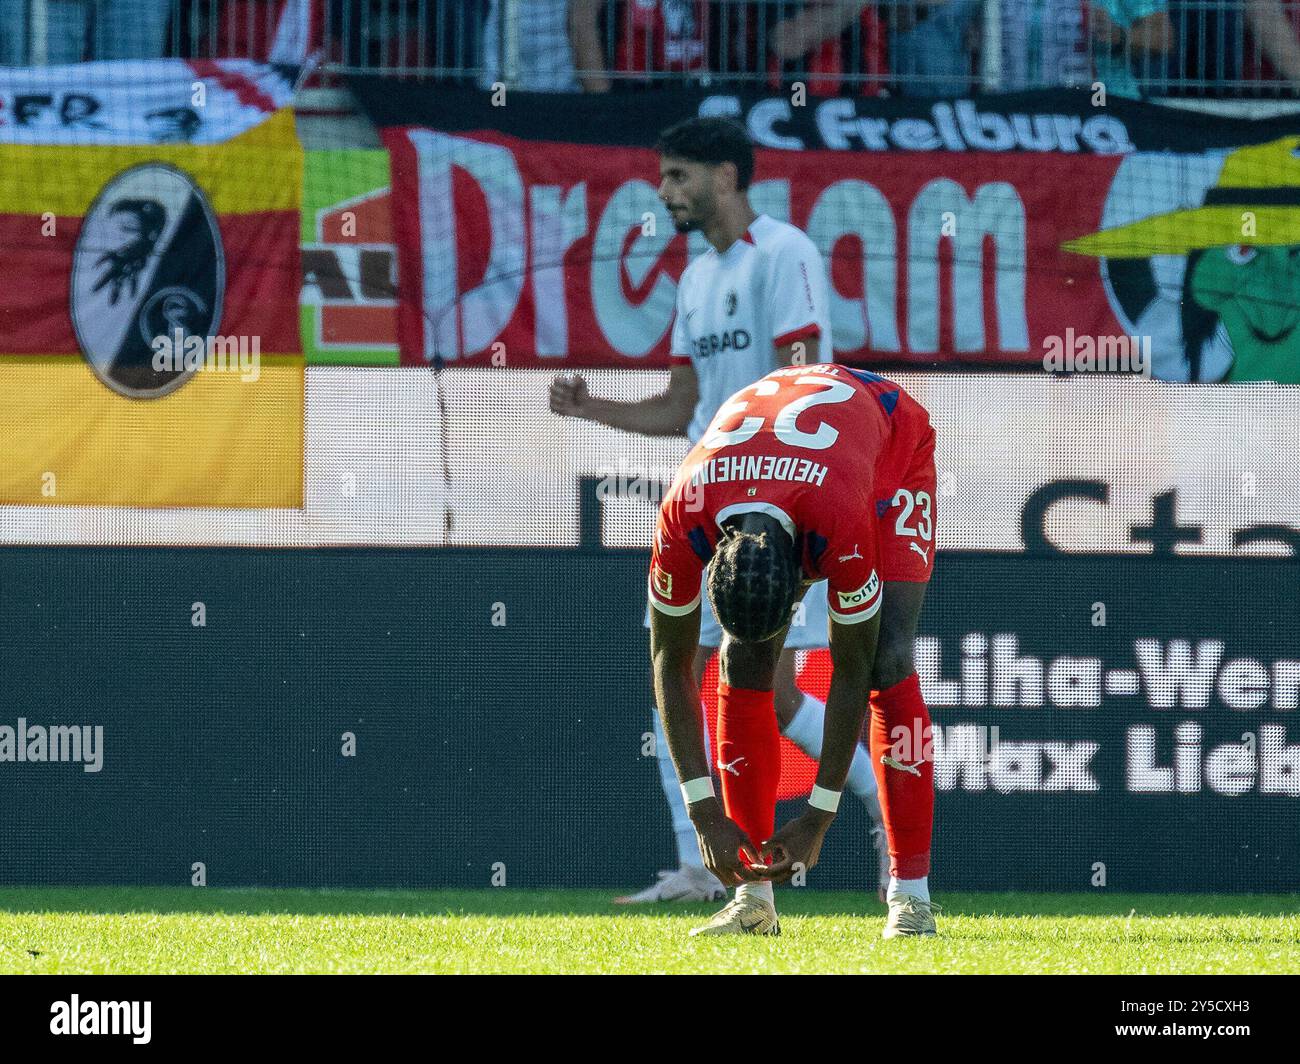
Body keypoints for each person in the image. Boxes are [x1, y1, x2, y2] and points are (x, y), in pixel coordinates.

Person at [550, 117, 889, 905]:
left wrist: (787, 494)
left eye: (678, 177)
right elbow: (680, 406)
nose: (665, 192)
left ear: (726, 178)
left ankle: (869, 803)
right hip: (705, 503)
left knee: (768, 692)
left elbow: (806, 379)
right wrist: (591, 406)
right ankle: (699, 865)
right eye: (663, 177)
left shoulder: (786, 253)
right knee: (675, 672)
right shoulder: (696, 280)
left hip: (772, 511)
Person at [647, 362, 940, 937]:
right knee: (742, 659)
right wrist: (704, 811)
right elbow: (669, 663)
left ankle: (912, 898)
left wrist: (819, 815)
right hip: (790, 456)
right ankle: (753, 901)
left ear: (802, 583)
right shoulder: (682, 515)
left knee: (888, 660)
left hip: (889, 439)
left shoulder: (838, 520)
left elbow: (850, 670)